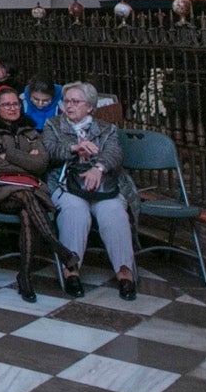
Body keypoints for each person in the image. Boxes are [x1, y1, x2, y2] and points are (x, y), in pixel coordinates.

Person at [0, 85, 80, 302]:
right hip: (0, 192)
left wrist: (9, 154)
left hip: (30, 190)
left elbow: (41, 163)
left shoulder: (30, 131)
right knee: (26, 198)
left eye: (15, 104)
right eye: (6, 105)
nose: (12, 108)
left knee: (26, 210)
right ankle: (59, 250)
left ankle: (25, 278)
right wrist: (24, 158)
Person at [40, 81, 138, 300]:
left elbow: (114, 152)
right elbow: (49, 151)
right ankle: (71, 270)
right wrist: (74, 148)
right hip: (66, 184)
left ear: (90, 107)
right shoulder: (53, 125)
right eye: (66, 101)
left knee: (113, 212)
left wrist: (98, 168)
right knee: (75, 211)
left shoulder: (106, 128)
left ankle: (124, 272)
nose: (69, 106)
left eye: (76, 101)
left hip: (104, 186)